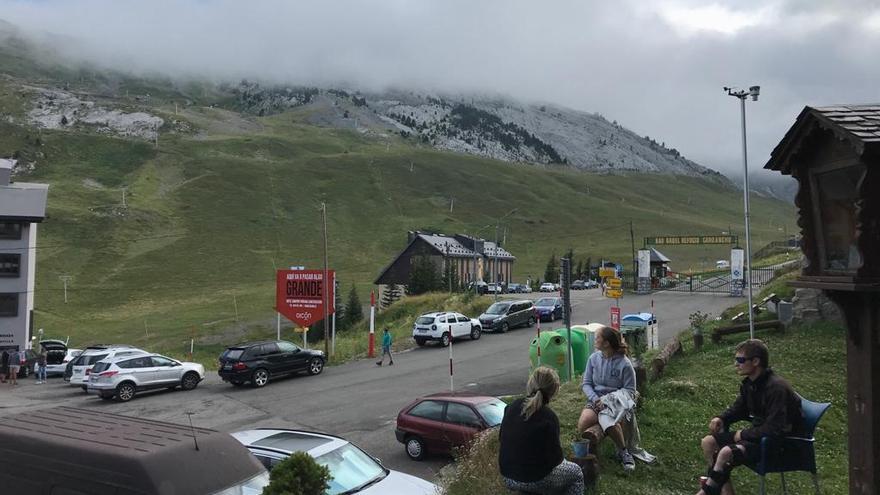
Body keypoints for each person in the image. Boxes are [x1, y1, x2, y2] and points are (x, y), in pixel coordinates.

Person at [696, 339, 804, 495]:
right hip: (759, 436)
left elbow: (775, 428)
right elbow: (739, 408)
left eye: (740, 360)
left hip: (781, 444)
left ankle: (706, 492)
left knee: (726, 453)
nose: (736, 364)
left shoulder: (776, 388)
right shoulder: (750, 384)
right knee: (708, 442)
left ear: (755, 361)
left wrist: (743, 434)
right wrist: (721, 418)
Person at [499, 366, 584, 495]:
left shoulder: (511, 407)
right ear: (554, 391)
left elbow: (501, 439)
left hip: (509, 477)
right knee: (576, 473)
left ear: (531, 383)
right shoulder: (549, 417)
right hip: (537, 479)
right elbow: (556, 459)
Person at [577, 325, 637, 472]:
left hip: (615, 402)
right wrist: (596, 399)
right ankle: (591, 453)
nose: (594, 340)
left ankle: (624, 452)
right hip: (595, 400)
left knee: (609, 421)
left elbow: (630, 390)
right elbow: (586, 384)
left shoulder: (625, 364)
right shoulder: (593, 358)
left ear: (606, 343)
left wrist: (609, 401)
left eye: (597, 337)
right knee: (583, 422)